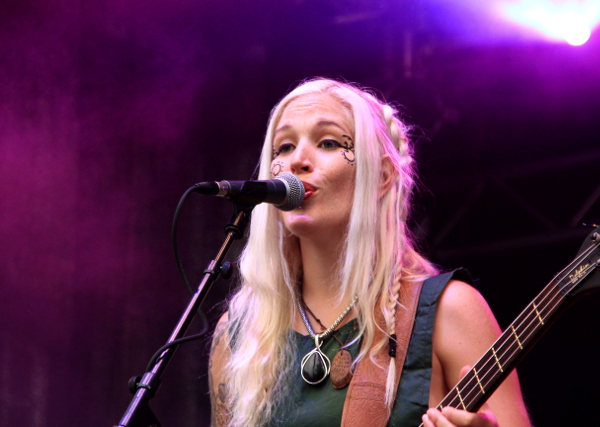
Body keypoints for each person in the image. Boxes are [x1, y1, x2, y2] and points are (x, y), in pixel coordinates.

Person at [208, 78, 531, 427]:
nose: (297, 160)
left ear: (381, 176)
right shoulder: (239, 333)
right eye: (283, 147)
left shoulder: (449, 310)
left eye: (328, 142)